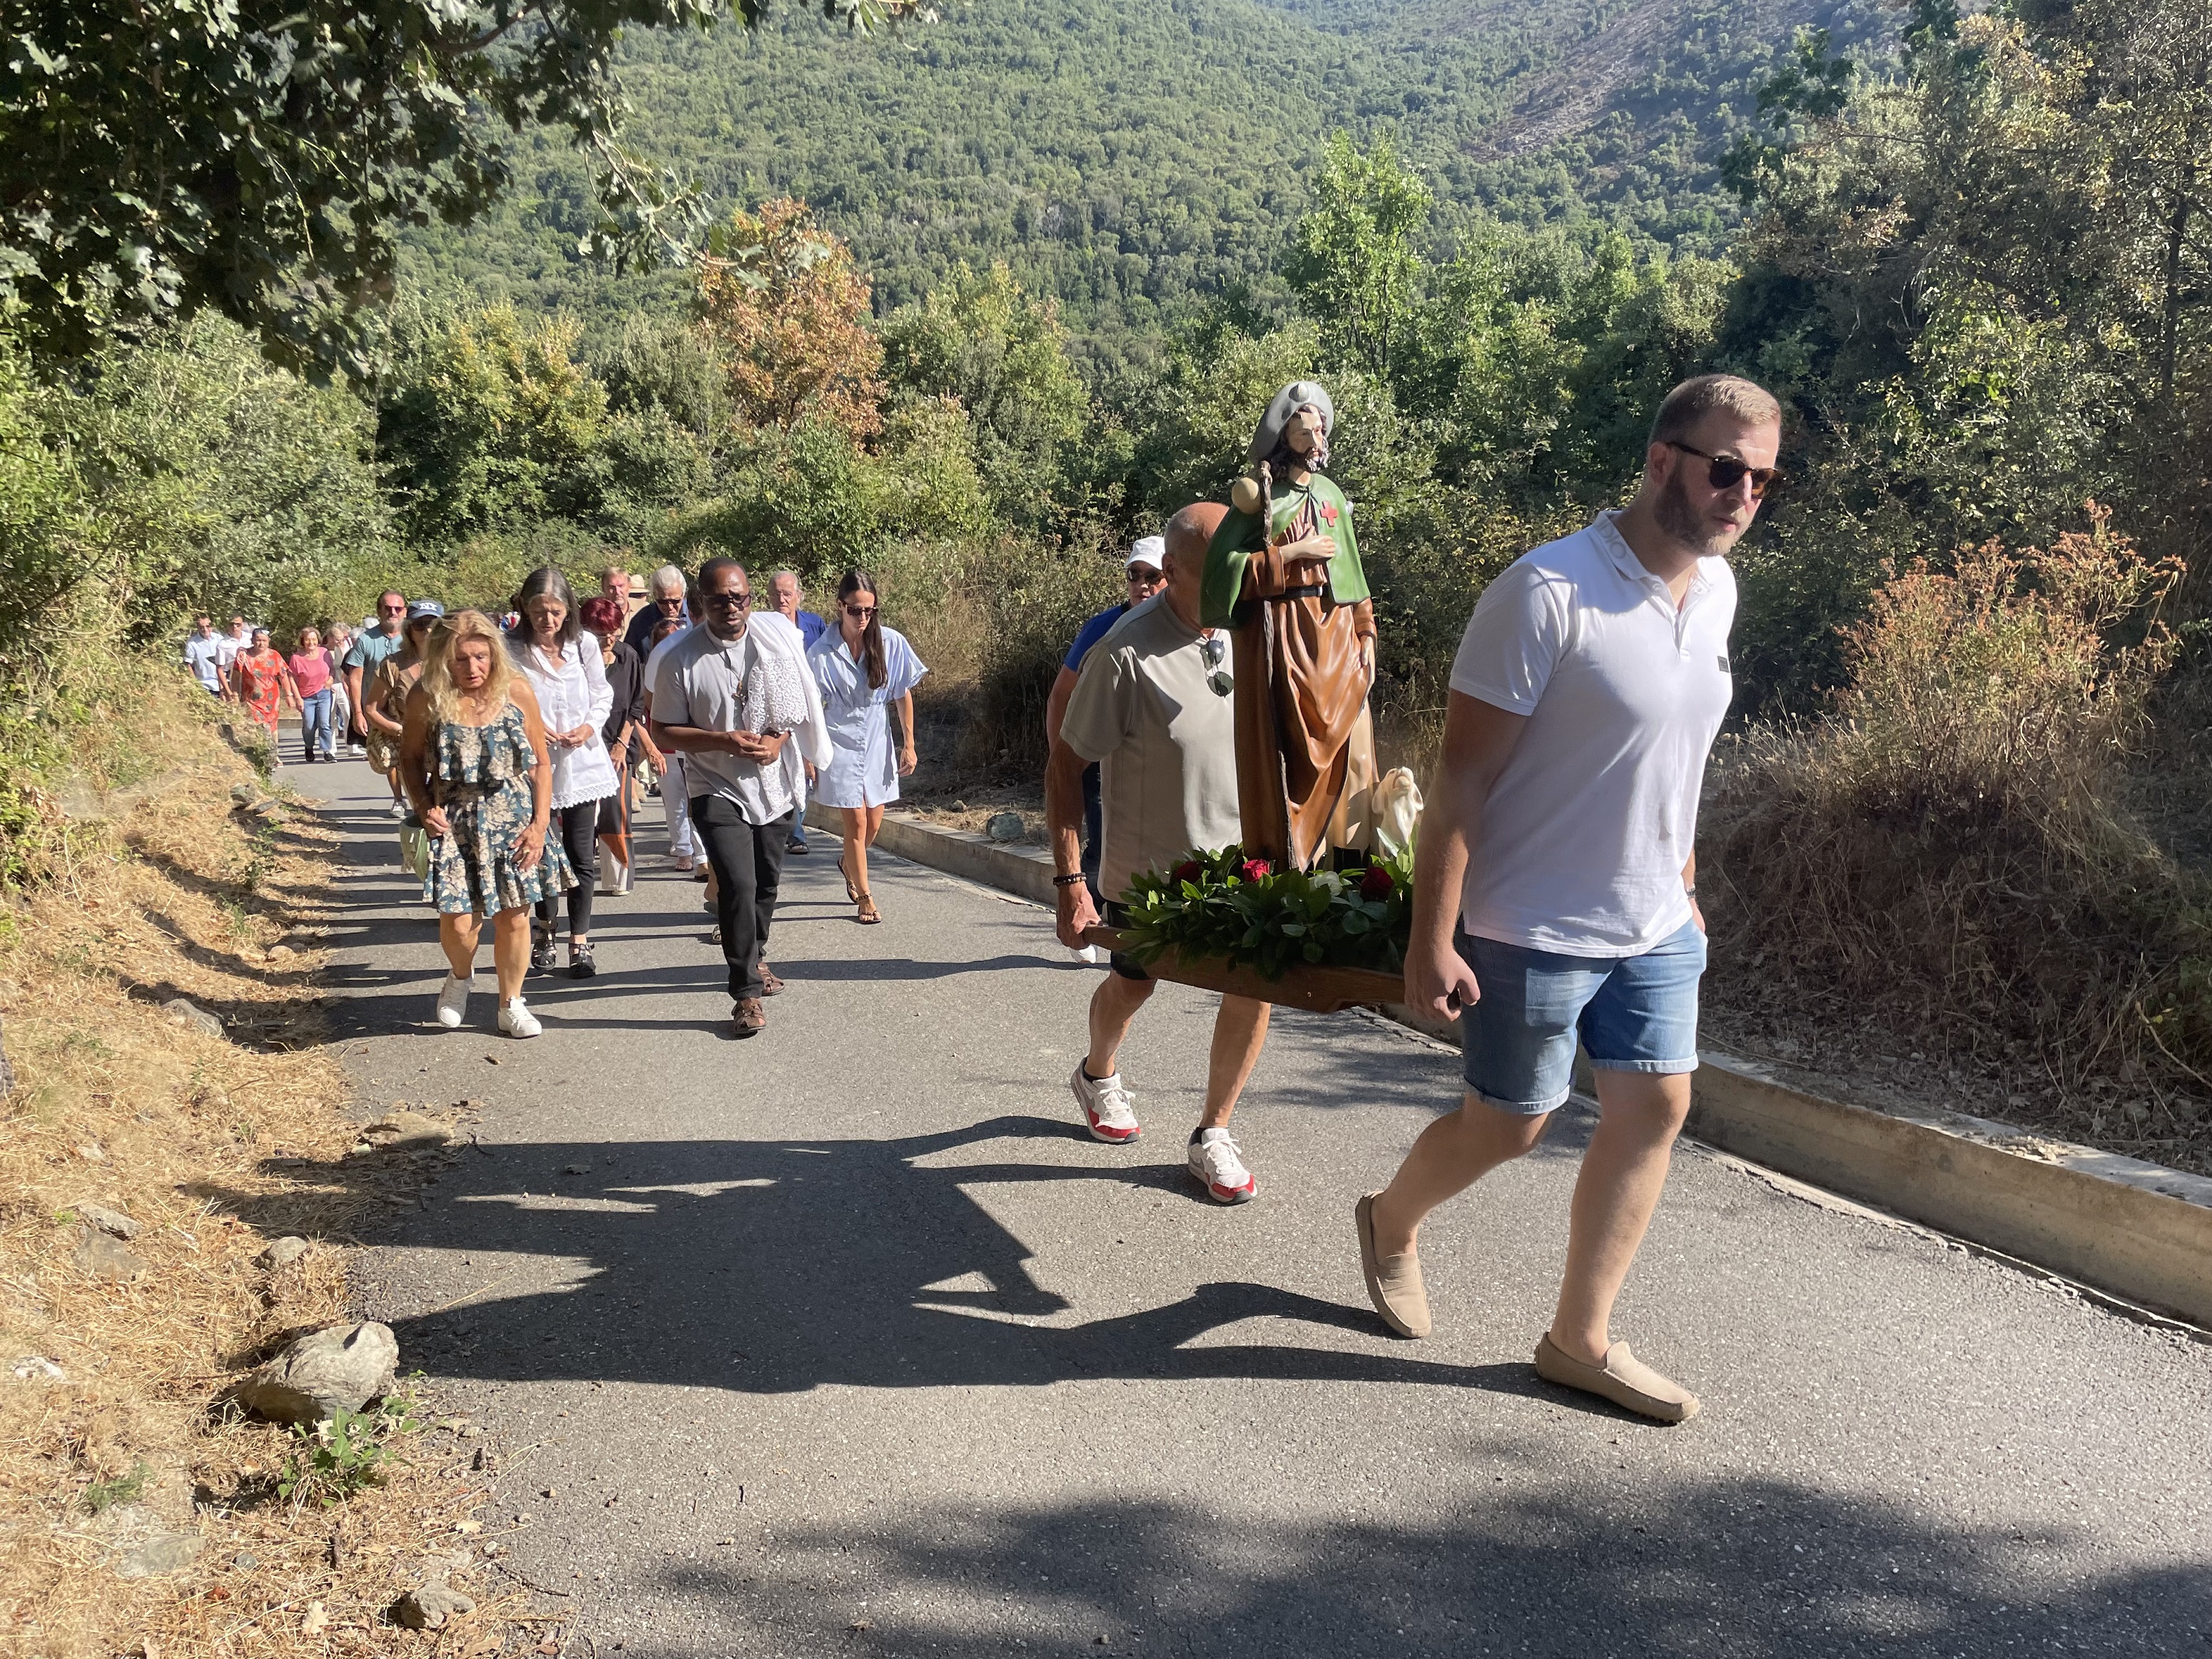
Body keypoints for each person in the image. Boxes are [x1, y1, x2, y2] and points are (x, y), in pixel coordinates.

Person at [1354, 374, 1780, 1426]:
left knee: (1657, 1107)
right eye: (1726, 469)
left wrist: (1679, 872)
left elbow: (1670, 749)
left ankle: (1577, 1340)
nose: (1742, 496)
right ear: (1661, 460)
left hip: (1654, 922)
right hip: (1528, 921)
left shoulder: (1717, 590)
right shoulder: (1547, 593)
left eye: (1764, 481)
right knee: (1511, 1124)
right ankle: (1391, 1217)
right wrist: (1431, 936)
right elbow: (1461, 781)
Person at [1047, 502, 1272, 1205]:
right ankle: (1098, 1073)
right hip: (1151, 879)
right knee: (1135, 984)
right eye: (1214, 577)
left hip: (1240, 867)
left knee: (1252, 987)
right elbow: (1065, 767)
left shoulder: (1250, 630)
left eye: (1239, 573)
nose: (1232, 590)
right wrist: (1069, 881)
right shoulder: (1124, 651)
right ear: (1169, 572)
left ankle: (1213, 1132)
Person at [1202, 381, 1379, 872]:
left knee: (1348, 754)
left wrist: (1366, 632)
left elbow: (1355, 581)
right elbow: (1224, 572)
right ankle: (1290, 864)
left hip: (1335, 638)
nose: (1317, 437)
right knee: (1287, 758)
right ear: (1286, 437)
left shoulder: (1331, 496)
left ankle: (1339, 867)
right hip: (1284, 644)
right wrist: (1291, 555)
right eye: (1306, 429)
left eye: (1321, 428)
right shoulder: (1259, 500)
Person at [649, 557, 829, 1038]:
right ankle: (745, 993)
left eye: (740, 597)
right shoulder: (678, 658)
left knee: (767, 882)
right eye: (719, 599)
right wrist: (725, 740)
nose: (732, 607)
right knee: (738, 884)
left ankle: (757, 954)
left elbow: (793, 711)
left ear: (751, 597)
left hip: (774, 785)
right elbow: (662, 729)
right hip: (714, 784)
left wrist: (777, 742)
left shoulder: (775, 643)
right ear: (699, 603)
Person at [398, 609, 573, 1040]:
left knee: (515, 918)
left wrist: (539, 823)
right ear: (443, 659)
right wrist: (424, 808)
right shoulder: (426, 696)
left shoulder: (517, 690)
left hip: (512, 816)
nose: (473, 668)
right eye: (461, 659)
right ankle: (460, 977)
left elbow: (542, 763)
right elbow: (410, 758)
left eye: (481, 657)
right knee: (458, 919)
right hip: (454, 820)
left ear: (494, 654)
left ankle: (511, 1003)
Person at [1044, 537, 1170, 935]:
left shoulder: (1187, 630)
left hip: (1155, 765)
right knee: (1102, 843)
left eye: (1153, 576)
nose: (1142, 585)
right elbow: (1060, 695)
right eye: (1134, 576)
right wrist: (1064, 762)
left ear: (1173, 576)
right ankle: (1087, 919)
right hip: (1101, 760)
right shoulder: (1103, 628)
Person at [509, 568, 618, 979]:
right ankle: (545, 932)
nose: (548, 620)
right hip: (533, 764)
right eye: (539, 611)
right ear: (524, 609)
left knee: (579, 853)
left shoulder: (584, 644)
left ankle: (580, 939)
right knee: (538, 851)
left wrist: (589, 727)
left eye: (555, 612)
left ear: (568, 611)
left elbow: (602, 693)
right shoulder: (511, 649)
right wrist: (529, 725)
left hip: (581, 761)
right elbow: (504, 700)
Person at [807, 570, 926, 926]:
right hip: (838, 739)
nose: (862, 618)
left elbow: (902, 693)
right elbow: (810, 709)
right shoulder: (820, 652)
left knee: (874, 820)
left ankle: (848, 863)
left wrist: (910, 743)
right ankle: (866, 895)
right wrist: (809, 753)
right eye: (855, 610)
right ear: (839, 606)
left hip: (876, 739)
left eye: (869, 611)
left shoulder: (890, 642)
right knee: (855, 821)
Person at [580, 595, 646, 896]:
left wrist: (621, 743)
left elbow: (636, 704)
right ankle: (575, 874)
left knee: (615, 810)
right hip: (582, 746)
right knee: (578, 814)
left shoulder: (628, 656)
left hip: (618, 742)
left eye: (613, 631)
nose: (608, 639)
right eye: (600, 633)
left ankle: (616, 877)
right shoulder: (574, 659)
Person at [766, 569, 828, 854]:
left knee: (807, 766)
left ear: (798, 597)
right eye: (777, 593)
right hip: (779, 706)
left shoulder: (815, 625)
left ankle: (795, 827)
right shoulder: (763, 626)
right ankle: (796, 832)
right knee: (785, 766)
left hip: (811, 703)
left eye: (787, 593)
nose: (782, 599)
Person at [641, 615, 696, 871]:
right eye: (666, 640)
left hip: (691, 744)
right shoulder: (652, 671)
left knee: (696, 800)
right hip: (665, 746)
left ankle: (702, 854)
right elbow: (647, 709)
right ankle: (684, 851)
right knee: (675, 801)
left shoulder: (689, 665)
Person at [345, 592, 408, 761]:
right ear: (379, 611)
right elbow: (355, 679)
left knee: (411, 756)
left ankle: (409, 786)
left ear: (405, 612)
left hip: (407, 708)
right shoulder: (366, 640)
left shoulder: (413, 638)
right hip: (377, 711)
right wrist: (358, 713)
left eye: (398, 608)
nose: (393, 612)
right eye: (387, 608)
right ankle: (396, 788)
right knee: (387, 758)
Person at [230, 626, 296, 766]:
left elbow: (284, 676)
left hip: (271, 698)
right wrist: (235, 694)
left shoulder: (275, 656)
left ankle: (274, 755)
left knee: (272, 727)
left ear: (269, 641)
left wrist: (289, 695)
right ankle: (258, 755)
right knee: (256, 726)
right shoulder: (244, 656)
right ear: (253, 641)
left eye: (264, 641)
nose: (261, 644)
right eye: (258, 640)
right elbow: (236, 676)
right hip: (251, 699)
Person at [288, 626, 337, 761]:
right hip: (306, 696)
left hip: (324, 693)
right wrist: (297, 698)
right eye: (308, 640)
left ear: (318, 640)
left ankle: (327, 751)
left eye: (314, 639)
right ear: (303, 641)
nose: (311, 643)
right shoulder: (296, 658)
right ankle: (309, 747)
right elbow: (291, 678)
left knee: (324, 723)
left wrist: (330, 680)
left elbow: (333, 670)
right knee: (309, 726)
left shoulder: (324, 653)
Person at [624, 564, 689, 657]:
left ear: (683, 594)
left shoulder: (697, 615)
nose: (670, 607)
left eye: (675, 601)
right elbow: (630, 661)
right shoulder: (640, 622)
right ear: (655, 596)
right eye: (663, 601)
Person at [325, 622, 356, 748]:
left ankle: (351, 746)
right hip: (330, 686)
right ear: (331, 638)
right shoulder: (324, 651)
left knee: (348, 714)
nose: (340, 642)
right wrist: (328, 682)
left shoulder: (343, 647)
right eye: (338, 640)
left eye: (342, 639)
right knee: (331, 718)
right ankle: (331, 749)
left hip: (342, 684)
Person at [184, 614, 228, 699]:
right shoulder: (192, 644)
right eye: (202, 627)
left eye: (208, 626)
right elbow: (188, 665)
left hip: (223, 685)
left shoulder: (219, 639)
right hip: (205, 686)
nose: (205, 629)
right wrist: (195, 684)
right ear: (197, 627)